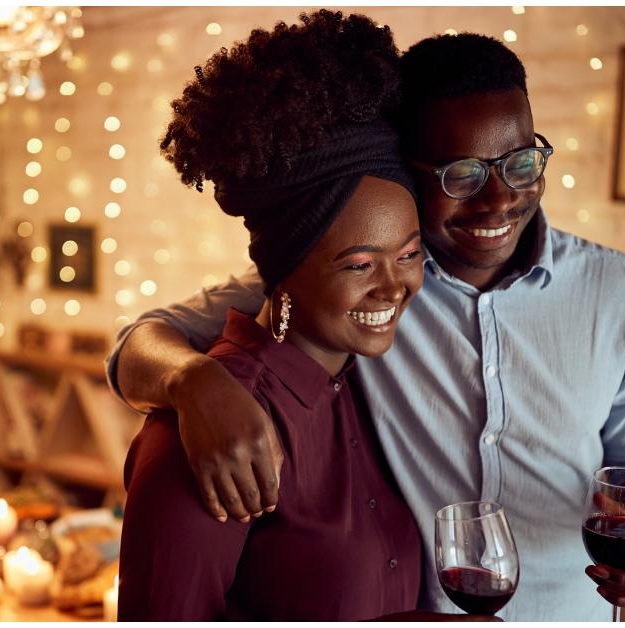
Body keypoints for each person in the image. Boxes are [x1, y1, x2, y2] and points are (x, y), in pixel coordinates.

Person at [107, 31, 625, 622]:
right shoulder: (344, 283)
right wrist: (193, 381)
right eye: (462, 174)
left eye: (522, 162)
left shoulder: (619, 291)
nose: (499, 200)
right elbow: (141, 340)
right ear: (412, 174)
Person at [118, 11, 444, 621]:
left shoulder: (369, 388)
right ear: (283, 269)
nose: (393, 288)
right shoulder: (209, 440)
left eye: (408, 255)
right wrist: (190, 382)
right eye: (357, 266)